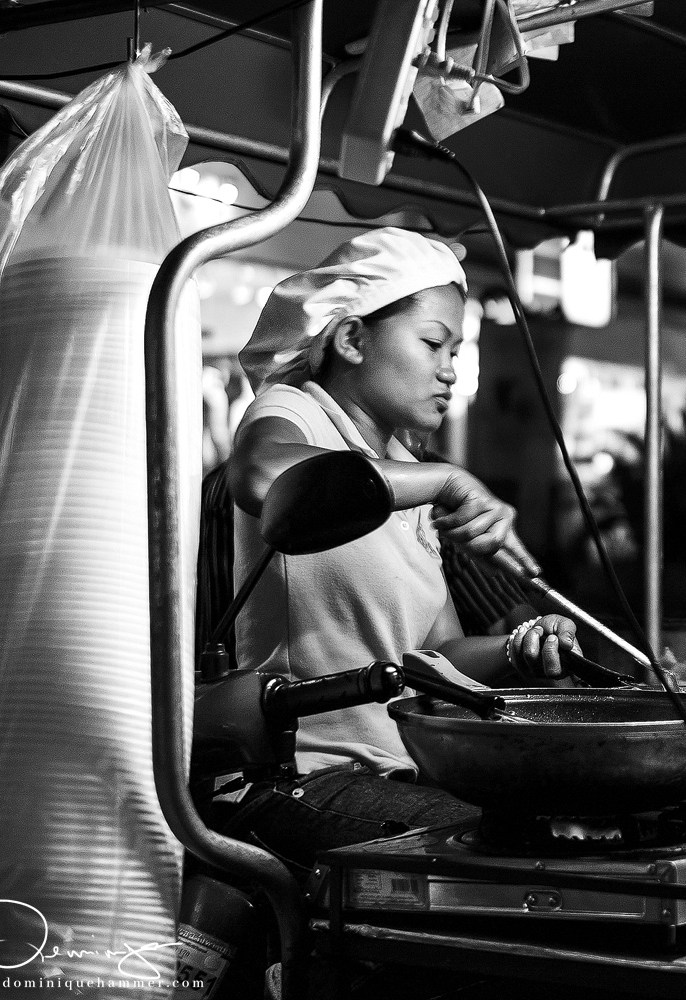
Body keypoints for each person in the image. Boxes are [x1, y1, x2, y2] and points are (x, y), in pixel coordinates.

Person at [217, 228, 579, 871]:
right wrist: (446, 479)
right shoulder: (297, 411)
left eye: (456, 350)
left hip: (397, 772)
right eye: (433, 343)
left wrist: (521, 646)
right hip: (297, 776)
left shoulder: (402, 471)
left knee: (575, 827)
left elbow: (434, 656)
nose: (450, 369)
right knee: (519, 851)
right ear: (352, 339)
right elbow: (262, 477)